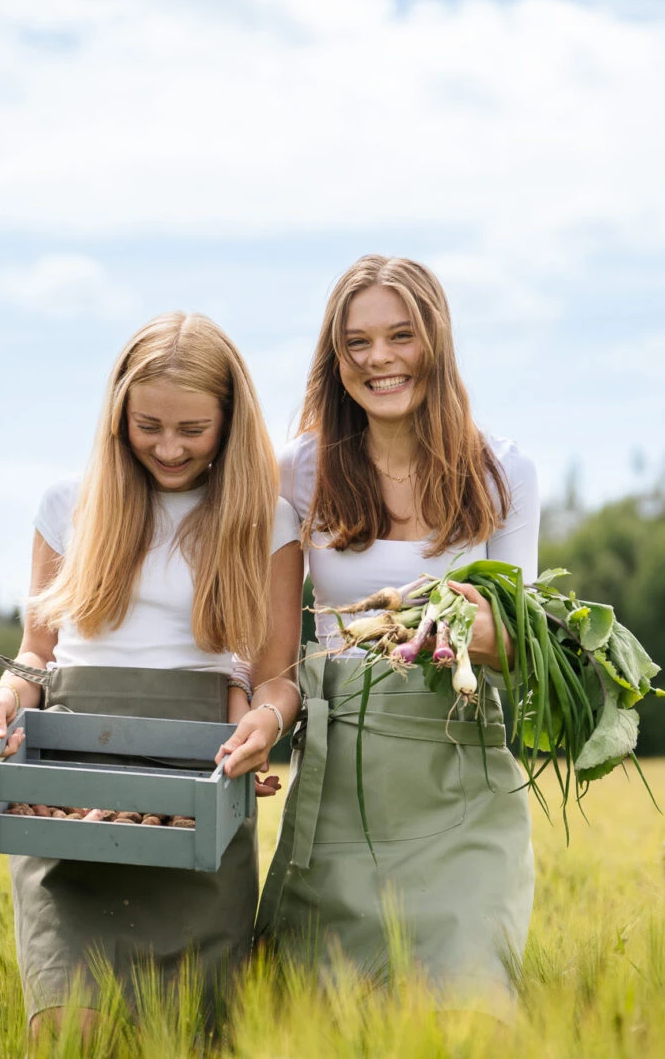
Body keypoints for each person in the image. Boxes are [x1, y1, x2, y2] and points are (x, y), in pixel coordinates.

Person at [0, 311, 303, 1042]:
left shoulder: (265, 518)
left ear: (230, 420)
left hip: (196, 802)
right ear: (118, 415)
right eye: (148, 425)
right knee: (67, 1033)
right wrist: (4, 694)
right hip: (70, 799)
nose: (170, 447)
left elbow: (280, 678)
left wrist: (263, 724)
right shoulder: (69, 504)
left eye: (193, 428)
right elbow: (37, 654)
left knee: (191, 1037)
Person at [237, 254, 540, 1017]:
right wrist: (261, 727)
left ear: (434, 340)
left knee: (471, 1012)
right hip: (344, 790)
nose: (379, 359)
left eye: (400, 336)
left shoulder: (504, 472)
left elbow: (523, 644)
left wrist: (472, 627)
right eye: (357, 344)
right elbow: (275, 663)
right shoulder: (295, 475)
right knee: (327, 1012)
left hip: (461, 777)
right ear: (334, 359)